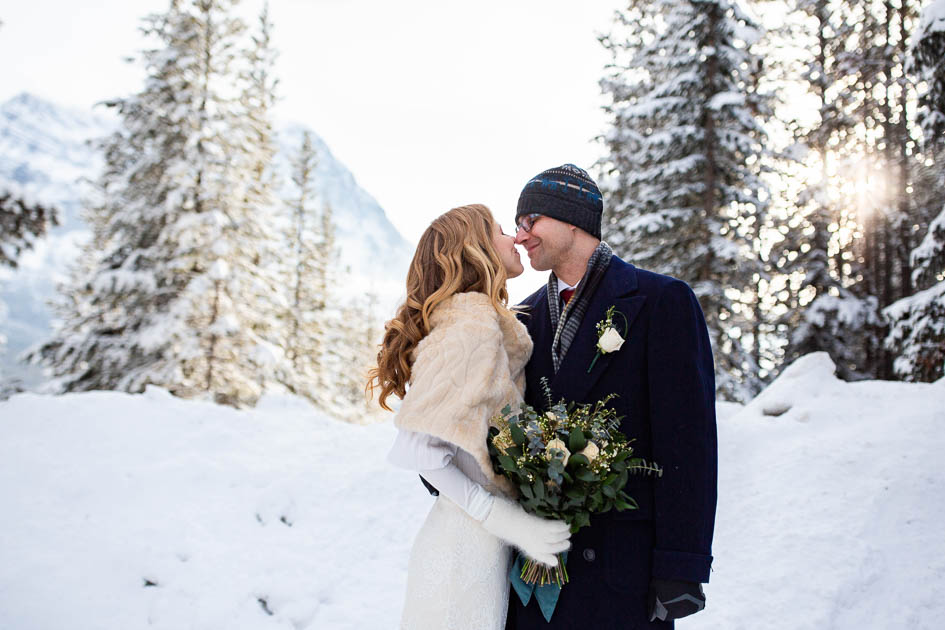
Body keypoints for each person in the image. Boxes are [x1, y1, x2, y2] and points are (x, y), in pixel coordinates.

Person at [507, 165, 718, 629]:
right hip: (534, 575)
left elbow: (688, 443)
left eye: (530, 221)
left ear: (574, 220)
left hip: (623, 574)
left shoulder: (662, 301)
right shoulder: (521, 318)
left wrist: (681, 564)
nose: (520, 237)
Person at [369, 204, 572, 630]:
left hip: (475, 551)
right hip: (460, 558)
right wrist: (505, 519)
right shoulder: (470, 325)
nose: (515, 237)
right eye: (502, 230)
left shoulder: (480, 321)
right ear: (476, 248)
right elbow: (419, 449)